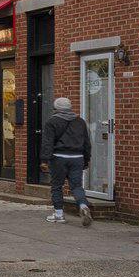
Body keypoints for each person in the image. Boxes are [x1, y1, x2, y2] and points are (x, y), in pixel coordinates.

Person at [45, 96, 92, 226]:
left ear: (56, 108)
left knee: (57, 186)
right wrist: (86, 160)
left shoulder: (52, 122)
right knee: (76, 186)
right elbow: (87, 143)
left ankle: (59, 214)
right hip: (77, 158)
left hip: (58, 157)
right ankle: (83, 206)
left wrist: (45, 159)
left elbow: (48, 143)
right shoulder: (80, 122)